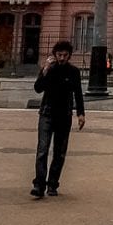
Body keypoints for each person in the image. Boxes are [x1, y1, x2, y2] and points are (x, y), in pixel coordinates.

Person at [31, 40, 85, 198]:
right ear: (54, 55)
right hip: (46, 114)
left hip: (64, 115)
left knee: (59, 152)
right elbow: (38, 88)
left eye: (65, 55)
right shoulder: (49, 69)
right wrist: (45, 69)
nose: (61, 58)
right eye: (59, 55)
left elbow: (78, 93)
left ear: (69, 56)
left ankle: (53, 184)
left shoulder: (73, 72)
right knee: (42, 150)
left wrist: (81, 114)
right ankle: (39, 184)